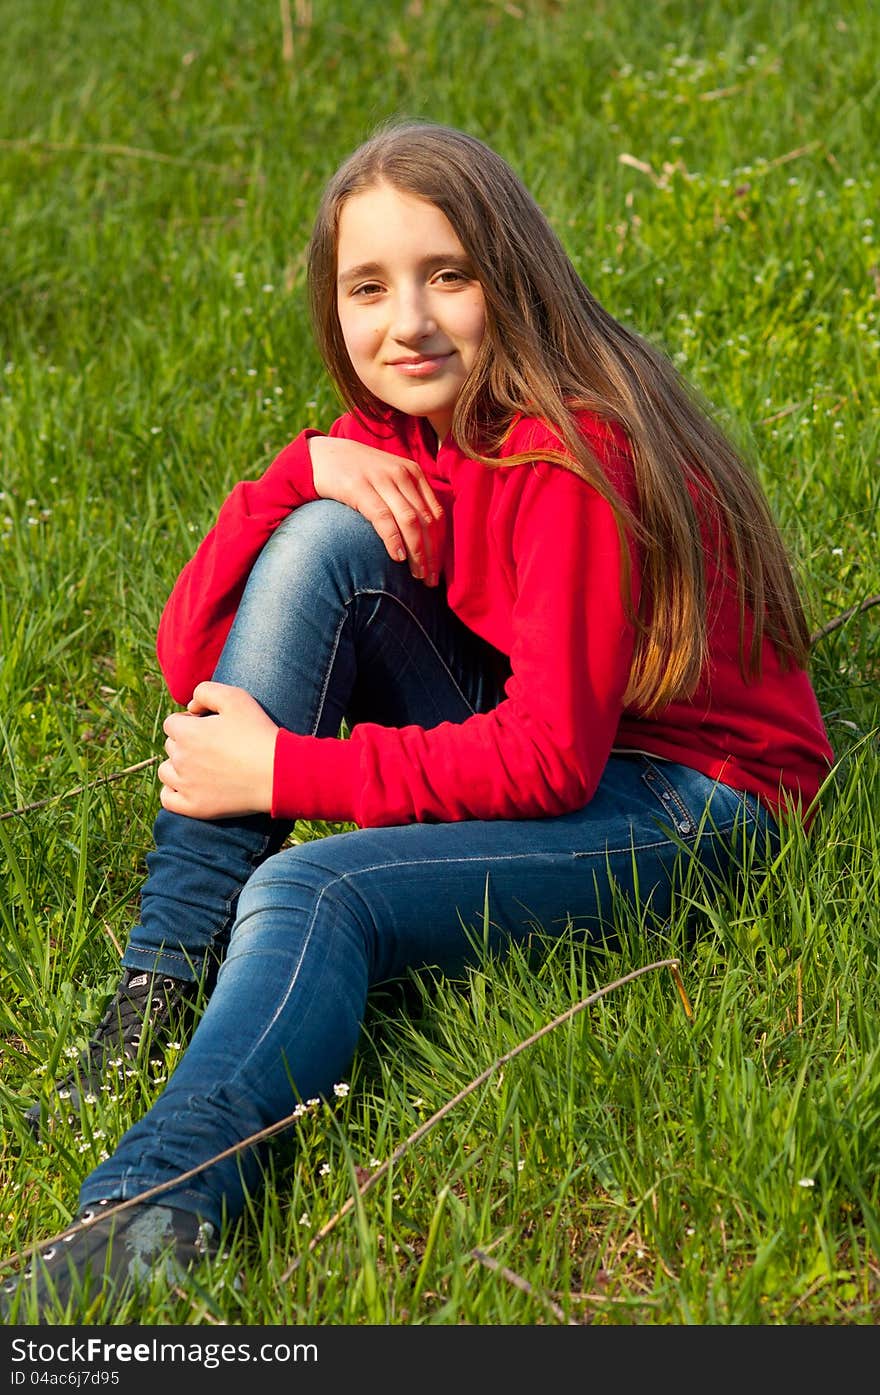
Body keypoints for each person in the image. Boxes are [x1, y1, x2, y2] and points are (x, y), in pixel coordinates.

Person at [3, 119, 833, 1321]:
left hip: (697, 795)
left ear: (514, 276)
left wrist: (287, 771)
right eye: (368, 287)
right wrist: (303, 471)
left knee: (315, 891)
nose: (410, 321)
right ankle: (151, 1010)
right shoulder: (409, 431)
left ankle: (154, 1205)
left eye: (449, 275)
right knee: (328, 542)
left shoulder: (570, 452)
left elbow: (549, 763)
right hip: (575, 739)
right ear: (331, 308)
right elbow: (193, 659)